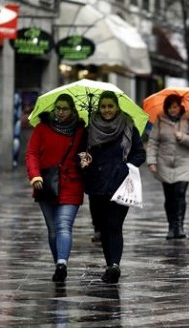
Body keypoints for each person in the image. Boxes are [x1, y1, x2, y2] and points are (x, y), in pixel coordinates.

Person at [77, 90, 145, 284]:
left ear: (117, 107)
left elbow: (140, 153)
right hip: (97, 185)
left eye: (110, 106)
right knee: (104, 227)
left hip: (120, 184)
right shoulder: (90, 128)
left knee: (115, 226)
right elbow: (82, 153)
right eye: (104, 106)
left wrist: (127, 166)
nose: (107, 110)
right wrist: (84, 161)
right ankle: (110, 265)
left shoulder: (128, 126)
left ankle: (114, 264)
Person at [26, 93, 86, 283]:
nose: (60, 112)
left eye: (65, 108)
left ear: (72, 110)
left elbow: (87, 152)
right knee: (53, 230)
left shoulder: (81, 131)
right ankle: (59, 264)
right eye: (58, 108)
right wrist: (35, 175)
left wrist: (86, 159)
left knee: (63, 226)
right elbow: (32, 153)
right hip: (46, 185)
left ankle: (62, 262)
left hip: (72, 183)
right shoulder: (42, 128)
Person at [147, 94, 189, 239]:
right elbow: (153, 142)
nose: (173, 110)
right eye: (170, 107)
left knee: (180, 194)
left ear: (180, 107)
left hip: (184, 163)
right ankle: (171, 226)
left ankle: (179, 226)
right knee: (169, 196)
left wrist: (183, 137)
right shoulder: (160, 119)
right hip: (164, 163)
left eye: (175, 106)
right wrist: (151, 161)